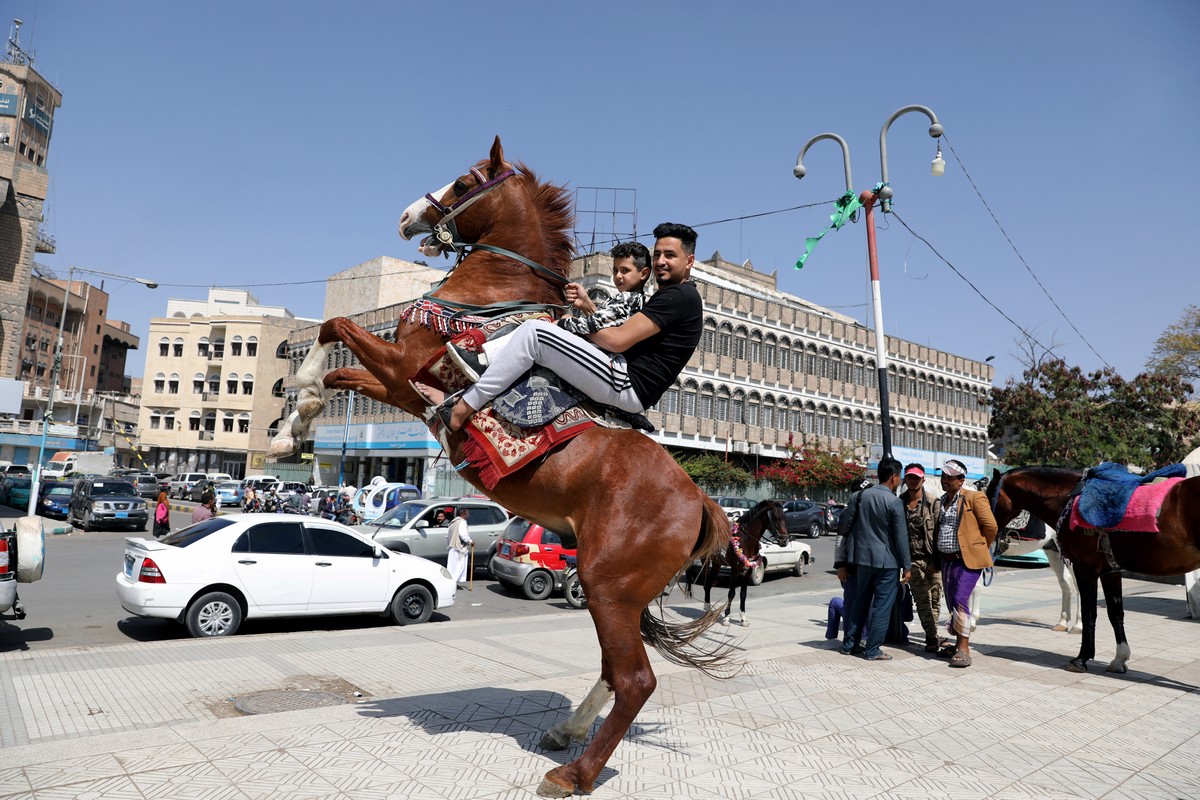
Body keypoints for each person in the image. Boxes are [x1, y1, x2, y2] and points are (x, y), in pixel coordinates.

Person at [416, 222, 703, 430]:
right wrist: (588, 309)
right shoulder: (670, 296)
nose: (661, 261)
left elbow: (617, 340)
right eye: (658, 254)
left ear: (689, 261)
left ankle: (462, 408)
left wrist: (571, 323)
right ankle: (471, 382)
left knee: (536, 333)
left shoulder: (679, 297)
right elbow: (614, 330)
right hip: (621, 374)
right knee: (540, 332)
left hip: (626, 382)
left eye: (670, 255)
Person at [837, 459, 910, 661]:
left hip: (861, 560)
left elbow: (846, 528)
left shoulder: (859, 497)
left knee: (859, 603)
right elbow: (900, 537)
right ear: (894, 476)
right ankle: (873, 650)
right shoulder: (894, 502)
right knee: (881, 607)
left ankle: (849, 644)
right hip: (887, 563)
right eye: (900, 476)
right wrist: (907, 565)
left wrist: (842, 560)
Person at [932, 458, 999, 668]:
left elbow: (991, 527)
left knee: (961, 599)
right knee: (952, 602)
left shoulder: (974, 497)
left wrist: (977, 546)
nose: (945, 480)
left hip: (967, 561)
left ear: (961, 480)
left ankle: (964, 648)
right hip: (947, 560)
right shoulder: (941, 500)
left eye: (949, 477)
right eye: (943, 476)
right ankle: (957, 642)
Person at [899, 463, 943, 652]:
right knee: (922, 599)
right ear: (905, 479)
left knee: (934, 598)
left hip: (932, 559)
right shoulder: (899, 503)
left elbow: (940, 532)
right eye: (910, 477)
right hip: (912, 560)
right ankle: (931, 637)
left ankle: (932, 633)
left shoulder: (933, 503)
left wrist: (938, 561)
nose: (913, 481)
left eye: (916, 477)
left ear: (923, 480)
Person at [446, 508, 473, 588]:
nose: (468, 515)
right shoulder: (462, 522)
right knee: (459, 565)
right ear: (464, 514)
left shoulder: (452, 523)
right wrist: (470, 541)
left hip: (452, 547)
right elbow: (463, 535)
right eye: (467, 513)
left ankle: (450, 581)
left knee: (451, 566)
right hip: (459, 548)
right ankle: (453, 582)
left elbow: (448, 536)